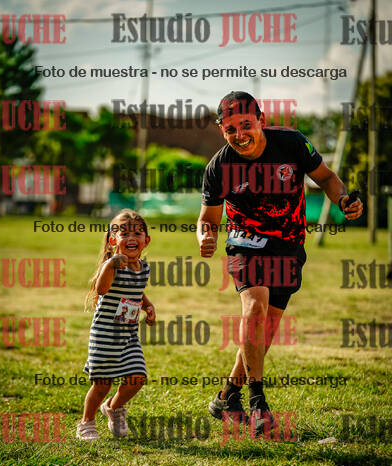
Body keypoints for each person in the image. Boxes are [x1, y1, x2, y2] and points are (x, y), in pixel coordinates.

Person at [197, 91, 363, 433]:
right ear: (221, 130)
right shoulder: (219, 167)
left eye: (246, 124)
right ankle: (258, 402)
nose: (240, 134)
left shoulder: (292, 143)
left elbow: (326, 178)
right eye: (230, 129)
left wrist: (343, 199)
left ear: (261, 120)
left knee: (265, 329)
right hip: (245, 243)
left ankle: (227, 396)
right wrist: (205, 236)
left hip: (289, 244)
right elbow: (207, 219)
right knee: (254, 308)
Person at [76, 209, 156, 441]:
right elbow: (102, 289)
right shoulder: (111, 266)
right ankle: (86, 422)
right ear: (113, 241)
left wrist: (148, 306)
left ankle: (113, 407)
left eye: (138, 233)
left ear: (146, 240)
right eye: (125, 234)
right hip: (105, 334)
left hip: (128, 335)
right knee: (102, 384)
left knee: (137, 377)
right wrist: (110, 264)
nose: (132, 238)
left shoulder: (144, 268)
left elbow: (137, 291)